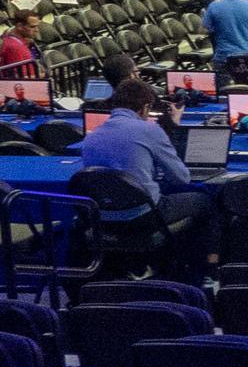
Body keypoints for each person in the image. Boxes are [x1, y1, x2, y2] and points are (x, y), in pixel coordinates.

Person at [80, 80, 213, 275]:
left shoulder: (91, 136)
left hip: (102, 218)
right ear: (145, 108)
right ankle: (200, 273)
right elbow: (181, 179)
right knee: (205, 201)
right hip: (143, 216)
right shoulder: (150, 130)